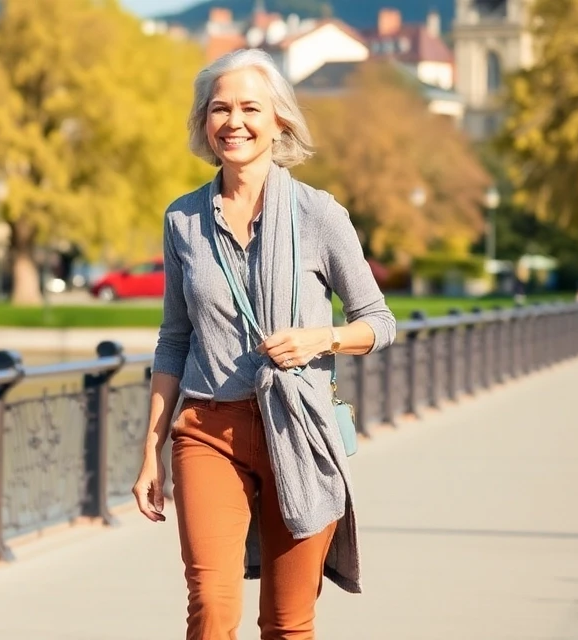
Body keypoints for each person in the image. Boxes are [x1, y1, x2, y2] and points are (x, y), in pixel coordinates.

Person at [131, 49, 396, 640]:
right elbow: (174, 339)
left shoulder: (319, 215)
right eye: (219, 108)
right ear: (205, 122)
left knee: (287, 623)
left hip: (297, 432)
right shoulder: (183, 221)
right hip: (207, 430)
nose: (234, 121)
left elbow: (378, 321)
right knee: (212, 608)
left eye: (250, 107)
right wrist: (150, 448)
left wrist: (318, 339)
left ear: (279, 120)